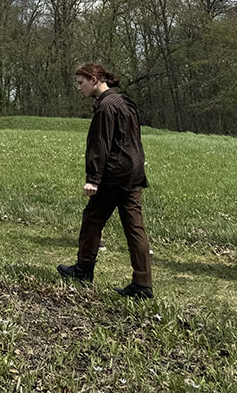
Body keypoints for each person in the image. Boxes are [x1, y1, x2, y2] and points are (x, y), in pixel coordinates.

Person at [57, 63, 154, 299]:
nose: (78, 88)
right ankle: (143, 284)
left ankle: (83, 271)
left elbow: (100, 146)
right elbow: (133, 140)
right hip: (133, 174)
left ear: (94, 79)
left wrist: (93, 179)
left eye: (81, 82)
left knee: (92, 218)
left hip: (114, 176)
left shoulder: (105, 108)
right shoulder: (125, 102)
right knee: (135, 228)